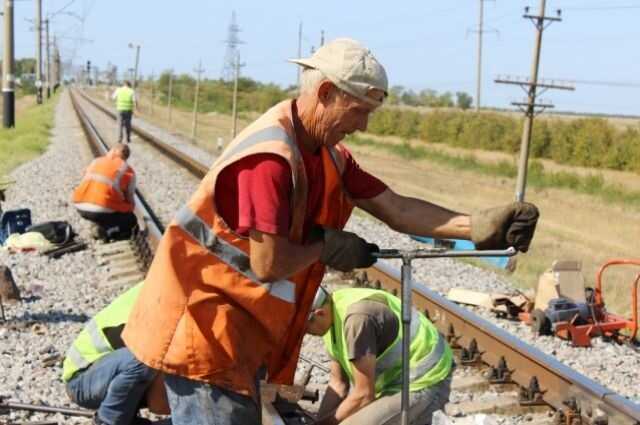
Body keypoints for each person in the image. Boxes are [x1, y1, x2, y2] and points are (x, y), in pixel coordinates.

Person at [121, 38, 539, 425]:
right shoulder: (269, 159)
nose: (363, 126)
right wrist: (327, 245)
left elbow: (395, 207)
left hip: (240, 335)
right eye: (359, 111)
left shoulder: (328, 155)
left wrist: (479, 227)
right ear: (325, 94)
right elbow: (268, 264)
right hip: (204, 331)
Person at [306, 286, 451, 425]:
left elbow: (364, 395)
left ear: (320, 313)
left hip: (425, 379)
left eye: (305, 328)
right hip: (396, 382)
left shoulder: (357, 320)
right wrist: (318, 422)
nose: (304, 333)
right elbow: (338, 385)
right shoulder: (330, 319)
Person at [62, 283, 169, 425]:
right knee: (143, 358)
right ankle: (107, 420)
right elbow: (158, 404)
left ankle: (126, 417)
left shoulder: (165, 287)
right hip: (81, 380)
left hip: (106, 376)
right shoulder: (159, 303)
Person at [72, 144, 138, 241]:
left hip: (80, 206)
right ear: (125, 158)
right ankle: (107, 230)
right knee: (131, 220)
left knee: (108, 209)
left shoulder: (95, 161)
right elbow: (130, 199)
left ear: (111, 151)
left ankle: (98, 223)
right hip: (101, 210)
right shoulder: (128, 170)